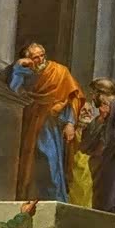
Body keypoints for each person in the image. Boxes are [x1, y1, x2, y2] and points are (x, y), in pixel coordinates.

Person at [7, 41, 85, 203]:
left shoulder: (60, 71)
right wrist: (19, 67)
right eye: (35, 57)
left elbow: (72, 97)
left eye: (42, 55)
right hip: (31, 122)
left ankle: (56, 199)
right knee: (29, 165)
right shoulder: (27, 73)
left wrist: (70, 123)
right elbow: (13, 92)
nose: (40, 60)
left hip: (52, 126)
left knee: (51, 162)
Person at [79, 78, 115, 216]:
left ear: (100, 94)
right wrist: (101, 120)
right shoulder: (105, 112)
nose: (92, 97)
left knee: (114, 200)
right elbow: (85, 145)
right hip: (103, 165)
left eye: (93, 93)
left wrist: (108, 118)